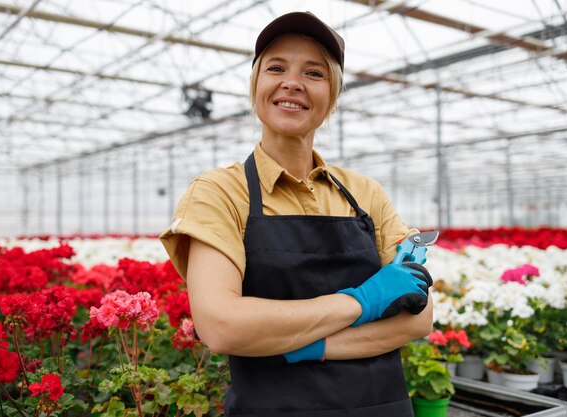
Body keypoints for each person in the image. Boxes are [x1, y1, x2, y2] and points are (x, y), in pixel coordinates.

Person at [160, 11, 434, 416]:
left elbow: (418, 318)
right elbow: (221, 325)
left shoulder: (365, 194)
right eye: (276, 67)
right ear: (256, 86)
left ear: (333, 96)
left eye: (314, 73)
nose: (292, 82)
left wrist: (298, 345)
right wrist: (367, 300)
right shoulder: (220, 192)